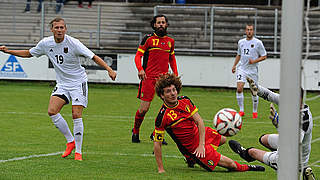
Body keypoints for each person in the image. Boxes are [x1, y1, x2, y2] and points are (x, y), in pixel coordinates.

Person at [0, 17, 117, 161]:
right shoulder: (45, 43)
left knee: (76, 114)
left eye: (62, 28)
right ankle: (70, 141)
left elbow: (93, 57)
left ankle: (78, 152)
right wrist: (9, 51)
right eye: (57, 28)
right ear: (52, 30)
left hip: (78, 82)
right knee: (52, 111)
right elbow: (29, 53)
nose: (59, 30)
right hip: (62, 83)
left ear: (65, 29)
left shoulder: (74, 43)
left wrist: (109, 70)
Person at [152, 73, 265, 173]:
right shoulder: (162, 117)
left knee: (223, 139)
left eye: (174, 90)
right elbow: (157, 144)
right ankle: (248, 167)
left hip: (201, 137)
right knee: (231, 165)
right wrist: (160, 169)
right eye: (168, 91)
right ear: (162, 95)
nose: (173, 93)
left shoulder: (185, 101)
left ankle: (194, 158)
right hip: (193, 148)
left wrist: (202, 145)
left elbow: (199, 121)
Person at [228, 77, 315, 180]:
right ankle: (303, 169)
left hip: (292, 158)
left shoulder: (304, 118)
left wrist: (279, 126)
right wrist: (257, 89)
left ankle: (243, 152)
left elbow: (292, 145)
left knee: (252, 152)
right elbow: (269, 95)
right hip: (290, 144)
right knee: (264, 139)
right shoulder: (290, 102)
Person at [131, 14, 178, 143]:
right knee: (143, 109)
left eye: (163, 22)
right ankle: (135, 131)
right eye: (159, 22)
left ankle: (156, 134)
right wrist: (140, 69)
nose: (161, 24)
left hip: (164, 80)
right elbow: (138, 56)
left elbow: (172, 59)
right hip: (149, 78)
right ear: (154, 25)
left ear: (166, 25)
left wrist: (175, 73)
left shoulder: (170, 41)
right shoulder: (148, 39)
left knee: (170, 108)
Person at [231, 24, 267, 119]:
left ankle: (254, 112)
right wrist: (234, 65)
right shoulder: (241, 42)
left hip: (252, 71)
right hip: (242, 69)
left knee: (254, 91)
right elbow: (239, 54)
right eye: (248, 29)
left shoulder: (258, 43)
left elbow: (264, 56)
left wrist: (254, 61)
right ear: (245, 31)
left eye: (251, 30)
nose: (249, 31)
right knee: (239, 88)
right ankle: (241, 110)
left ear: (253, 31)